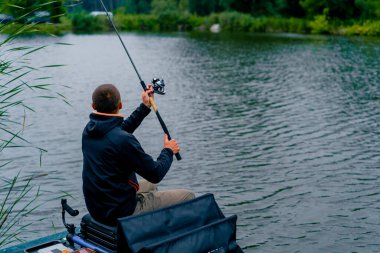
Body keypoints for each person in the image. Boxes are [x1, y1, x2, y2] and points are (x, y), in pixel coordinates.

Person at [82, 84, 195, 226]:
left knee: (149, 187)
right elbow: (155, 174)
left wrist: (144, 107)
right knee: (188, 196)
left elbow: (117, 131)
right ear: (120, 104)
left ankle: (149, 227)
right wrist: (168, 151)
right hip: (120, 212)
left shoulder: (89, 131)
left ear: (93, 105)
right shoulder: (123, 140)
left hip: (98, 209)